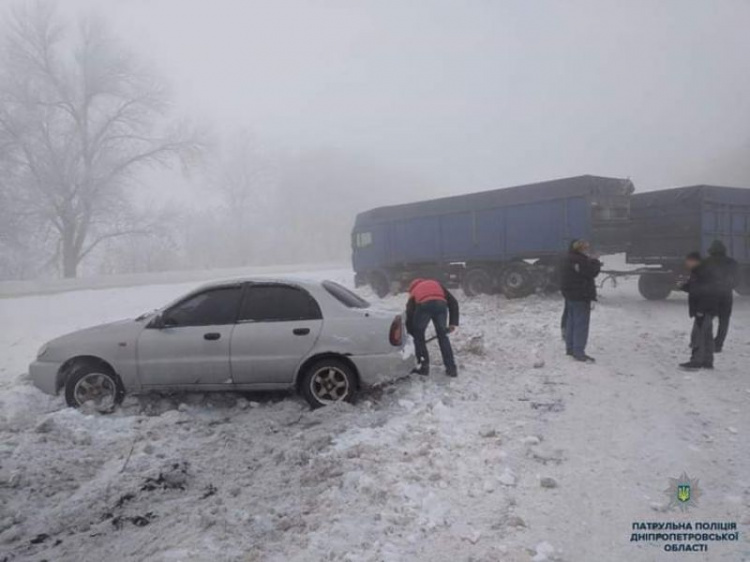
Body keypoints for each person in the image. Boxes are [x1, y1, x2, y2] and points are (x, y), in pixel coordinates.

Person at [405, 278, 459, 377]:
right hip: (441, 305)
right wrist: (453, 323)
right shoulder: (436, 284)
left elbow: (409, 314)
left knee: (419, 337)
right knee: (443, 337)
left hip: (424, 305)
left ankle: (424, 368)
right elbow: (453, 302)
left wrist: (411, 333)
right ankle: (451, 369)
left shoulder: (414, 291)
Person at [560, 239, 602, 363]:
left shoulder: (567, 258)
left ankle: (570, 348)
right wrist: (595, 261)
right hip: (581, 296)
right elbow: (592, 272)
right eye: (584, 247)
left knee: (571, 322)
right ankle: (579, 352)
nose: (586, 249)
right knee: (581, 324)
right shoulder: (581, 260)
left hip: (570, 295)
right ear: (580, 249)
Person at [679, 251, 719, 370]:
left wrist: (700, 310)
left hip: (704, 309)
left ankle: (696, 361)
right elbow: (695, 288)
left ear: (694, 261)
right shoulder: (700, 271)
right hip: (709, 309)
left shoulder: (702, 272)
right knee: (707, 335)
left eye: (688, 261)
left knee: (697, 335)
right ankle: (707, 361)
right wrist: (682, 286)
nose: (687, 263)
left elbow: (705, 292)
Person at [703, 240, 738, 352]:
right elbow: (737, 280)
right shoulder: (732, 262)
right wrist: (729, 286)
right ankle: (718, 345)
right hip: (726, 295)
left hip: (710, 295)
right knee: (724, 320)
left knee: (707, 318)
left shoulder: (706, 262)